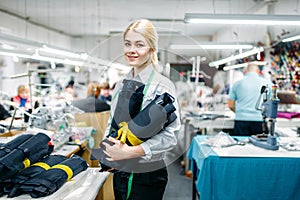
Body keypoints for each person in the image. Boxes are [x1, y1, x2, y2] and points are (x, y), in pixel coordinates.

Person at [101, 19, 181, 200]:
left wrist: (130, 152)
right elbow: (112, 121)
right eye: (128, 44)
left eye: (139, 45)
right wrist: (111, 153)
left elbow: (171, 136)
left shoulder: (162, 86)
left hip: (146, 174)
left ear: (152, 48)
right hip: (121, 169)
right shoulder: (121, 84)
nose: (132, 50)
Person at [228, 63, 272, 136]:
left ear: (245, 71)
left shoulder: (237, 84)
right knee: (260, 146)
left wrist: (240, 112)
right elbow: (271, 104)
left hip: (241, 121)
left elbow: (231, 105)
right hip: (259, 121)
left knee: (241, 144)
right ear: (258, 71)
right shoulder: (268, 84)